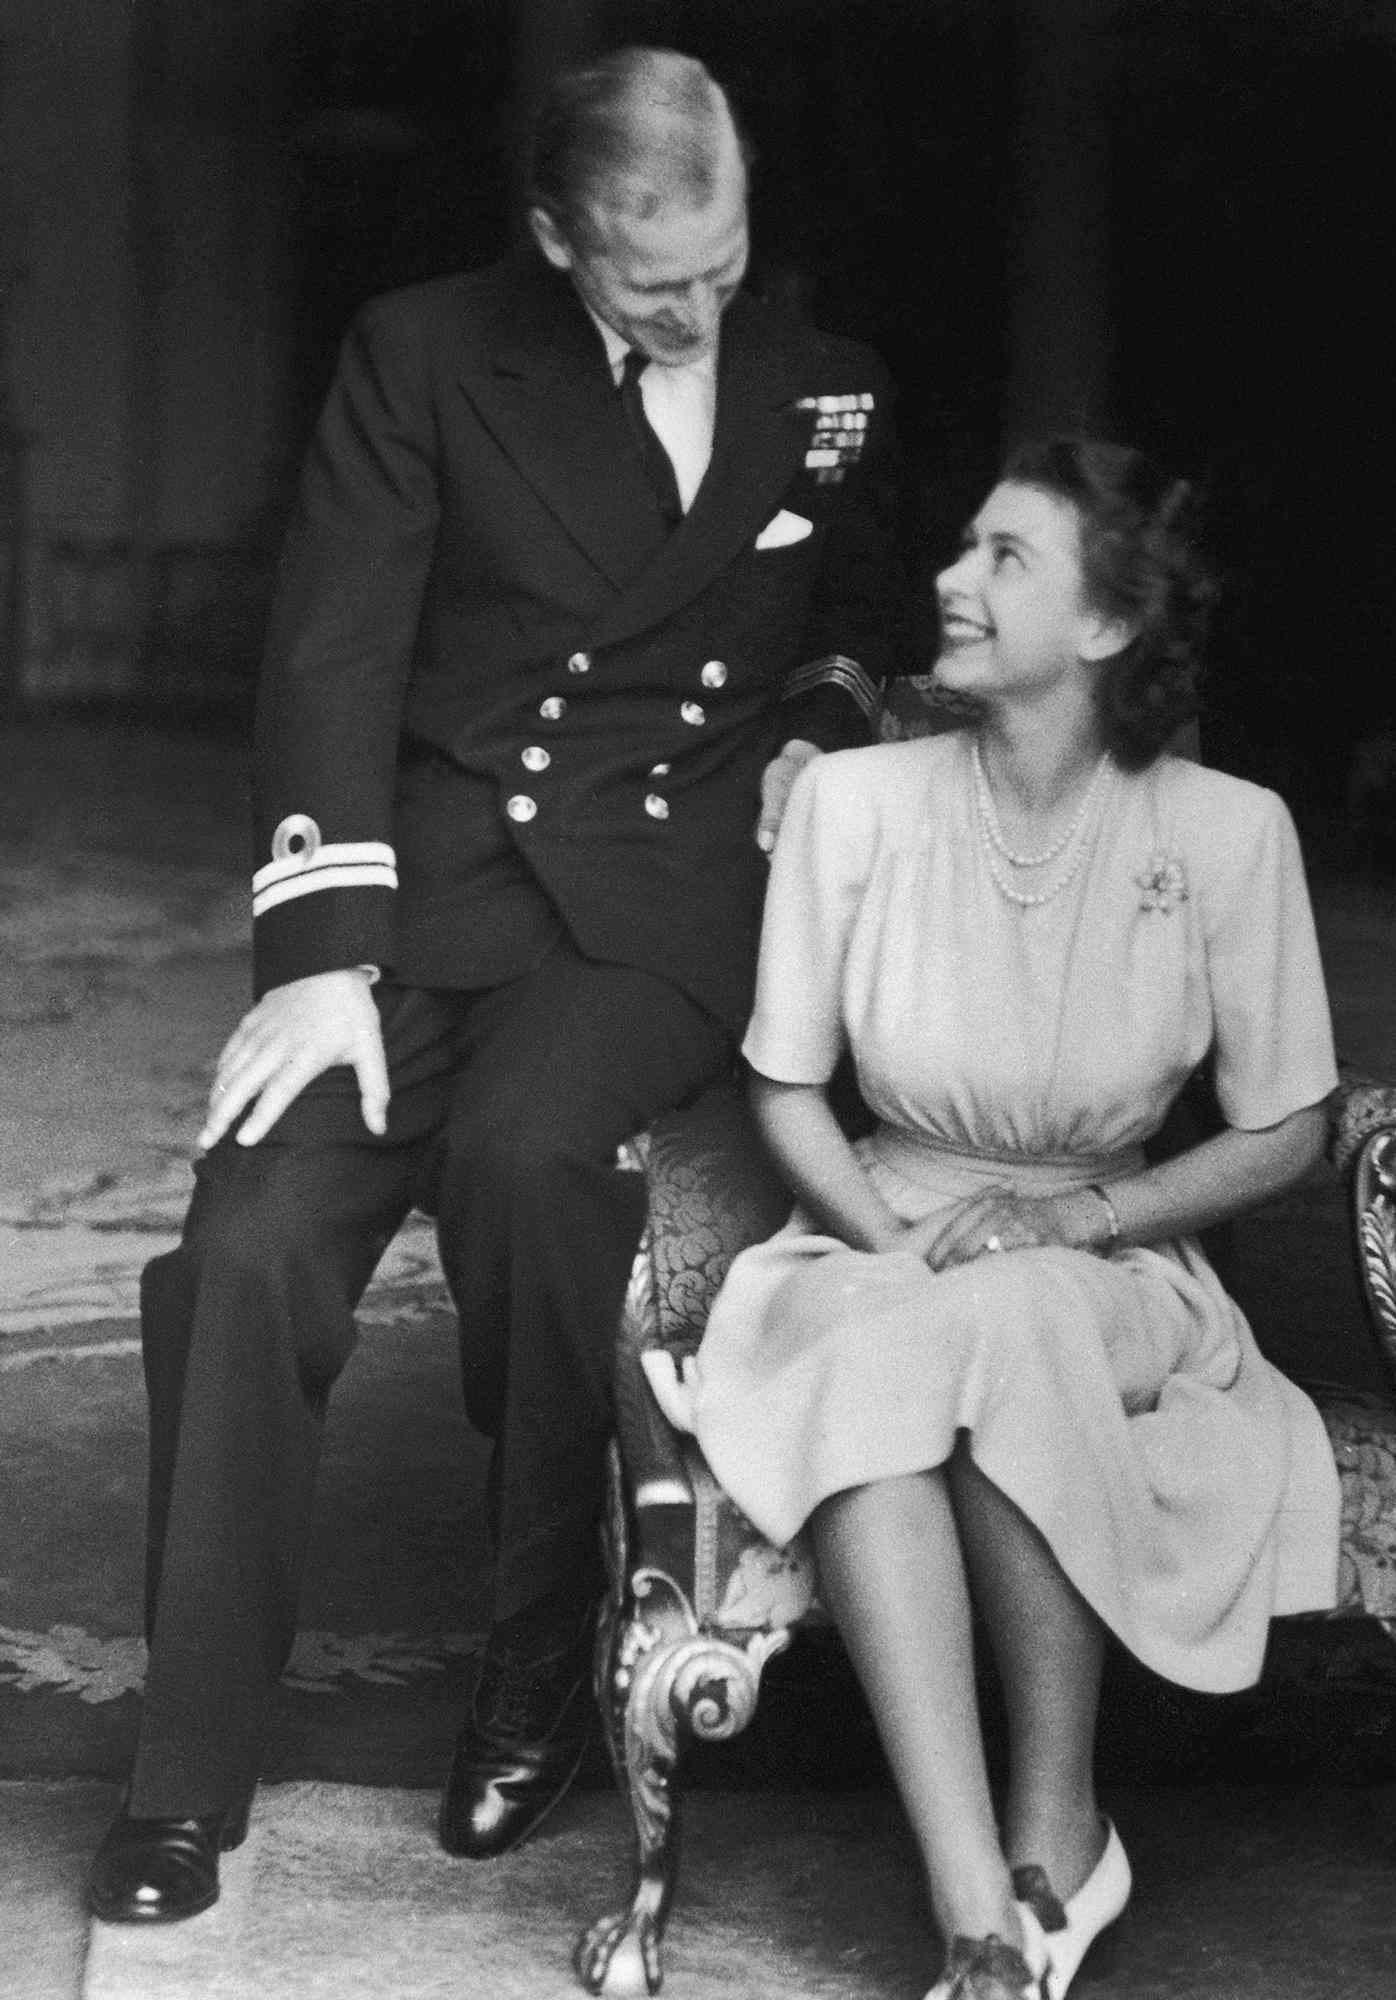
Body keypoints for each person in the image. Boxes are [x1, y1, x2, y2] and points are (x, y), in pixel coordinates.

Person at [88, 46, 901, 1924]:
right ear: (554, 240)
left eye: (721, 263)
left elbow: (860, 599)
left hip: (657, 918)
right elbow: (334, 655)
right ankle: (184, 1775)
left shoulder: (824, 378)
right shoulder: (426, 352)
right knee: (245, 1242)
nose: (695, 308)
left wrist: (830, 721)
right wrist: (322, 963)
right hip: (428, 891)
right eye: (647, 281)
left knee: (537, 1164)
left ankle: (535, 1650)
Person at [675, 437, 1341, 2000]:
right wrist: (891, 1247)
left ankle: (1063, 1820)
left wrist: (1089, 1220)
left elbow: (1291, 1128)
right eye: (961, 546)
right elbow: (785, 1089)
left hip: (1107, 1260)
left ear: (1106, 629)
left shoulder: (1232, 834)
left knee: (1022, 1310)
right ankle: (979, 1899)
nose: (949, 583)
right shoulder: (852, 803)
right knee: (912, 1342)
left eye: (1005, 560)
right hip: (872, 1228)